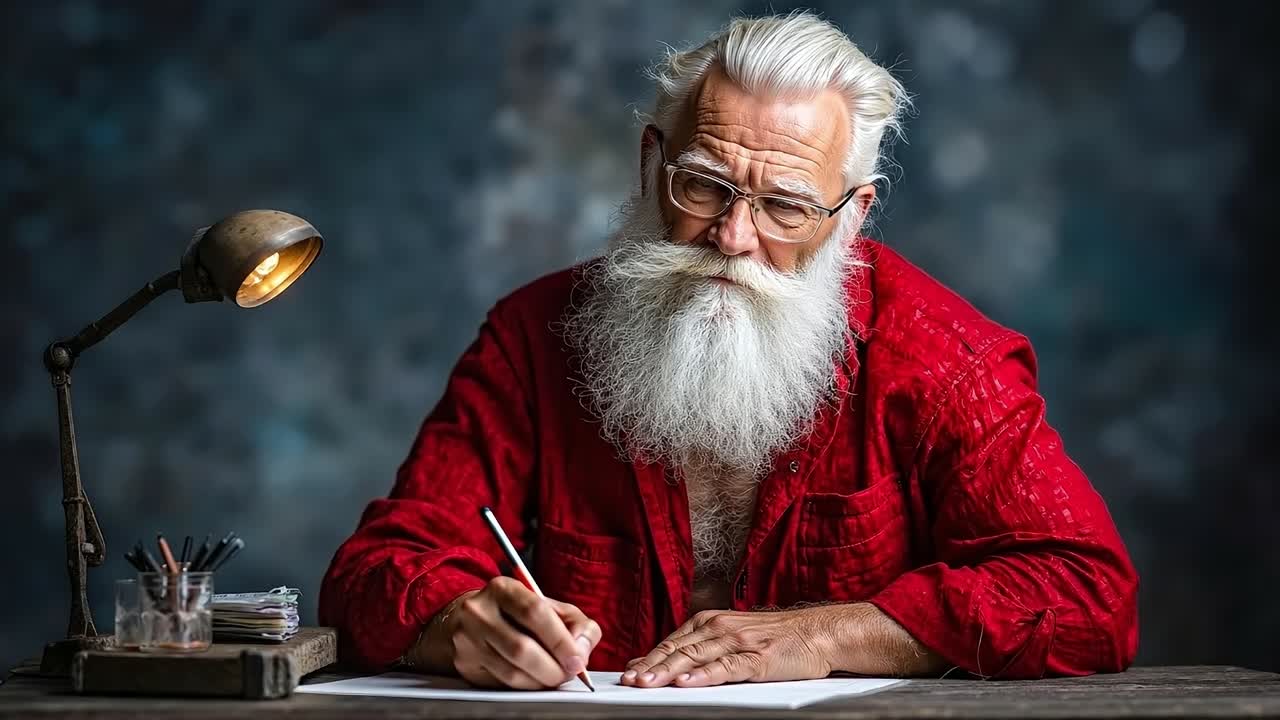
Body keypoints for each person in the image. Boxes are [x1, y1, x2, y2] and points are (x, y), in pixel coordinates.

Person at [319, 11, 1139, 689]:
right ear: (652, 164)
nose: (733, 238)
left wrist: (825, 637)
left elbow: (1089, 595)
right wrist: (452, 621)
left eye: (785, 205)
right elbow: (371, 572)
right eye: (705, 185)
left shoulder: (945, 359)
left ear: (850, 214)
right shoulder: (532, 337)